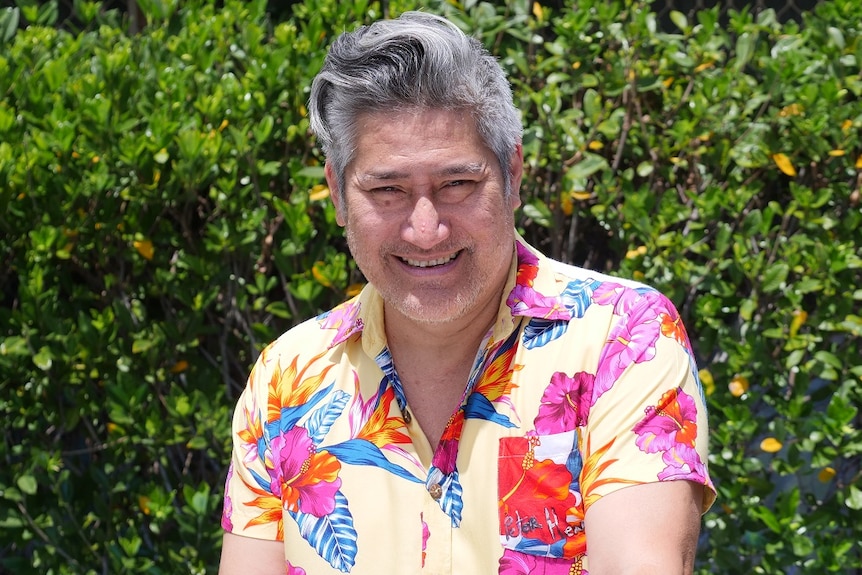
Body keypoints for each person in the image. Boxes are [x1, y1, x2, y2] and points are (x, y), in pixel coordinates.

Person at [219, 10, 715, 575]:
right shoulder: (286, 378)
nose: (425, 229)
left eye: (457, 184)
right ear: (337, 192)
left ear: (513, 173)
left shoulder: (623, 337)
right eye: (387, 190)